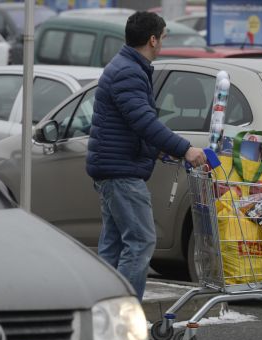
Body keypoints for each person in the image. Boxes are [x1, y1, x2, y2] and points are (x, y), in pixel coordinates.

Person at [86, 11, 206, 301]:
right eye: (163, 38)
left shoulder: (127, 66)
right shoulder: (128, 70)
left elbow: (132, 124)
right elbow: (143, 122)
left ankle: (102, 312)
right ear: (152, 40)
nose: (163, 43)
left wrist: (159, 148)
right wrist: (185, 149)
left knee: (113, 248)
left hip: (115, 169)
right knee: (141, 241)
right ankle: (124, 316)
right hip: (121, 173)